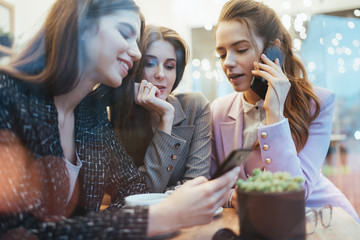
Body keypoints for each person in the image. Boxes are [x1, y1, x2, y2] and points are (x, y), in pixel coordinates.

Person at [0, 0, 241, 238]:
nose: (136, 52)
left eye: (170, 66)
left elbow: (135, 193)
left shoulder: (88, 114)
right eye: (125, 33)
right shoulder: (6, 95)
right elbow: (18, 232)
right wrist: (160, 216)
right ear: (83, 26)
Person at [211, 0, 359, 220]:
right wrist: (232, 196)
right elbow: (209, 184)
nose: (228, 63)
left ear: (273, 50)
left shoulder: (318, 103)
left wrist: (275, 114)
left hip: (320, 219)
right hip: (253, 224)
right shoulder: (218, 110)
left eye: (240, 49)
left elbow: (295, 194)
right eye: (222, 54)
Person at [110, 25, 211, 193]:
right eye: (150, 64)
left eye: (169, 66)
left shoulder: (196, 107)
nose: (160, 74)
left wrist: (168, 113)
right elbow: (138, 193)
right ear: (135, 69)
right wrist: (166, 118)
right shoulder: (117, 117)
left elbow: (196, 187)